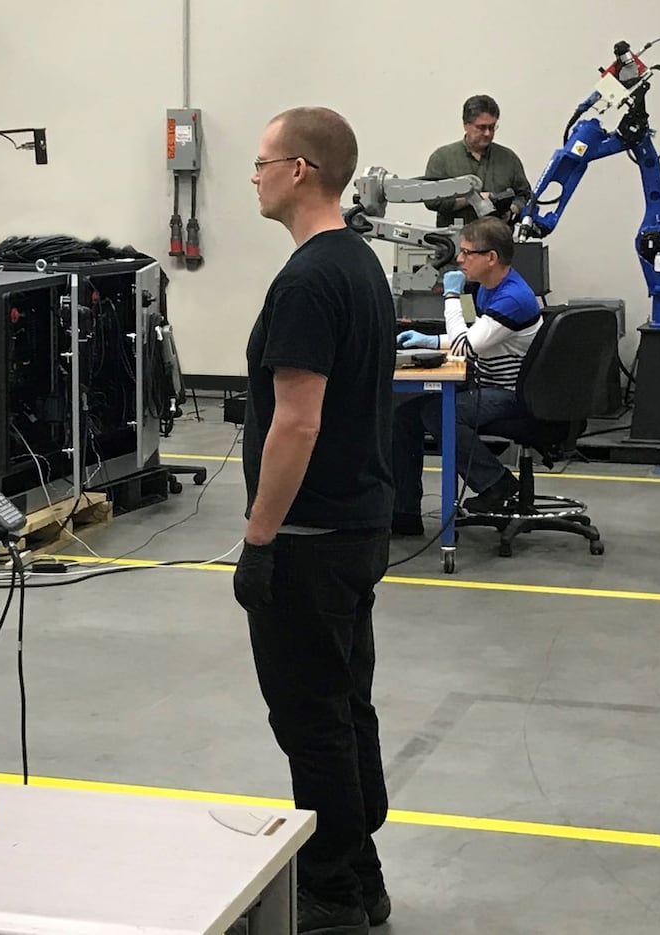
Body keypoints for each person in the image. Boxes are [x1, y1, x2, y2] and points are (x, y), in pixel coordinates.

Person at [239, 106, 394, 934]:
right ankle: (362, 874)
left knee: (309, 717)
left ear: (300, 170)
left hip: (308, 539)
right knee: (344, 704)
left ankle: (332, 890)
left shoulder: (305, 280)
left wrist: (259, 537)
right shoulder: (359, 264)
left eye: (262, 162)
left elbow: (296, 422)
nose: (255, 177)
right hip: (358, 528)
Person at [393, 217, 542, 530]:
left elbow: (466, 347)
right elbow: (479, 336)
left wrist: (450, 298)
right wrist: (430, 341)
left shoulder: (512, 298)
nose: (459, 259)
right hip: (487, 382)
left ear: (491, 258)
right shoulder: (492, 288)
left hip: (511, 393)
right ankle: (403, 511)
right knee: (404, 413)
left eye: (466, 252)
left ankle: (495, 484)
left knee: (439, 413)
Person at [423, 94, 531, 228]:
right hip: (454, 243)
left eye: (492, 127)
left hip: (498, 242)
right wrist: (473, 199)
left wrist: (511, 210)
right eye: (481, 127)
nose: (487, 133)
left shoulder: (509, 158)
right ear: (466, 125)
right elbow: (431, 200)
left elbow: (524, 195)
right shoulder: (442, 158)